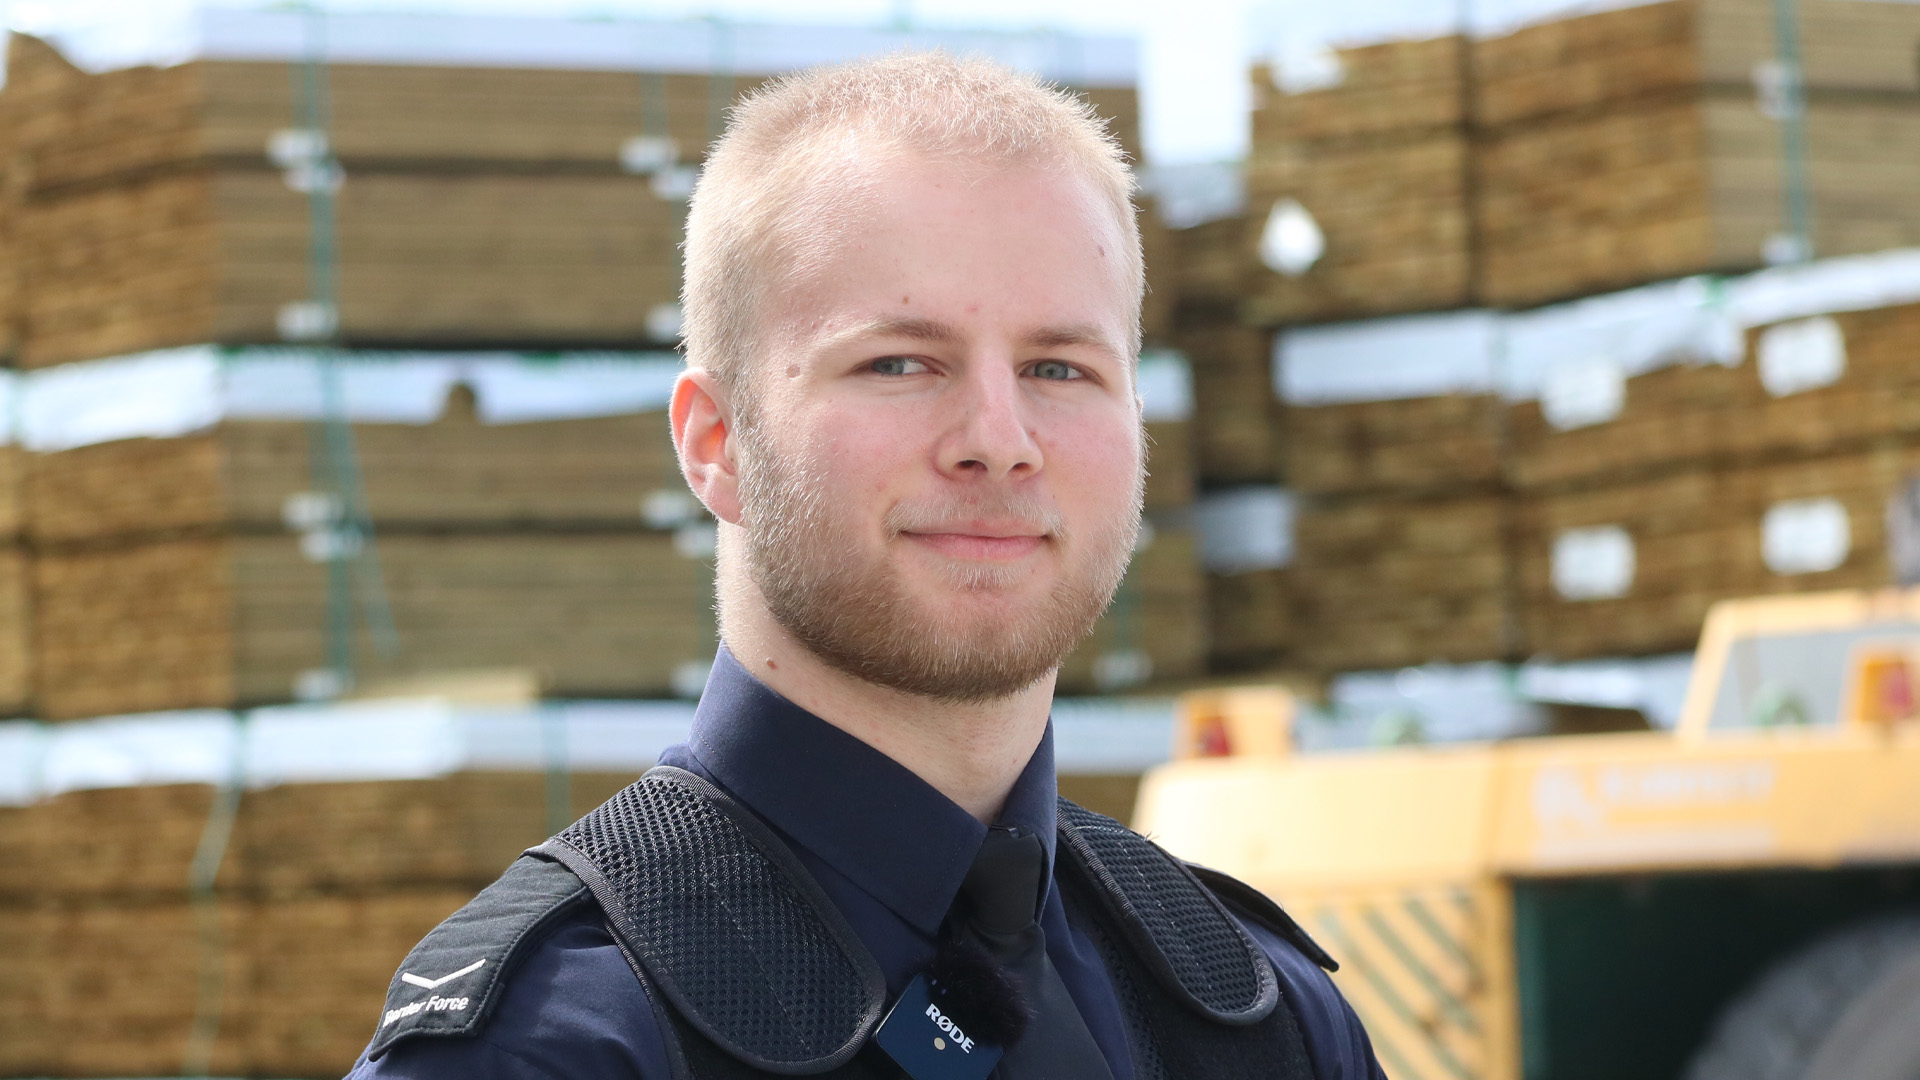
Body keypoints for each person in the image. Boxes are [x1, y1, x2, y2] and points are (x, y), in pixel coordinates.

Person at [347, 51, 1384, 1080]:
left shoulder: (1268, 1017)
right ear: (716, 443)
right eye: (899, 362)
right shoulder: (560, 1046)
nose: (1000, 439)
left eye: (1058, 368)